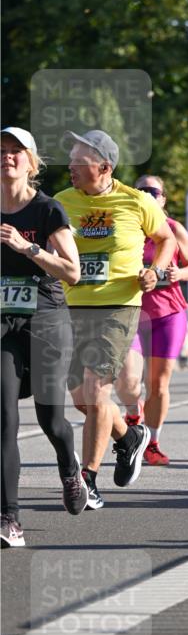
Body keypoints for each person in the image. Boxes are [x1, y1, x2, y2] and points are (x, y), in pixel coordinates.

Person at [55, 129, 177, 510]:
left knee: (96, 389)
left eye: (79, 161)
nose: (71, 166)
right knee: (82, 401)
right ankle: (128, 438)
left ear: (105, 167)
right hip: (71, 306)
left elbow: (167, 239)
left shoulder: (137, 201)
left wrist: (154, 270)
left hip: (119, 307)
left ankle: (87, 478)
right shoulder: (60, 202)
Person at [1, 127, 88, 546]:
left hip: (47, 319)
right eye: (1, 151)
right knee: (4, 420)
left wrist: (26, 248)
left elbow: (72, 271)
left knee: (50, 419)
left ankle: (70, 469)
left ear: (32, 162)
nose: (7, 157)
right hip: (3, 325)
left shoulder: (48, 210)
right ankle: (9, 520)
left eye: (16, 151)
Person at [115, 176, 188, 465]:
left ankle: (152, 442)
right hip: (133, 311)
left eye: (152, 191)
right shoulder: (127, 229)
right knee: (128, 381)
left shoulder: (174, 229)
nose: (145, 194)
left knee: (159, 383)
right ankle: (132, 411)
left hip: (169, 313)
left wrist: (181, 274)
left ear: (162, 199)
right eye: (139, 190)